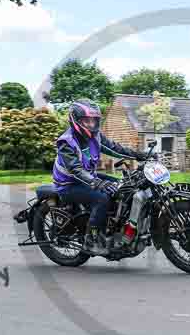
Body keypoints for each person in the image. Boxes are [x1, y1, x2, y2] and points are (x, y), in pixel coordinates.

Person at [53, 99, 149, 255]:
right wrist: (97, 183)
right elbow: (75, 170)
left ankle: (113, 227)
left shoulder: (95, 136)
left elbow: (115, 148)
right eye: (86, 120)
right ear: (76, 120)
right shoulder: (66, 142)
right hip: (68, 184)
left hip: (88, 176)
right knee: (101, 198)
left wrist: (138, 154)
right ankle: (91, 241)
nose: (91, 124)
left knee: (124, 187)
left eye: (94, 120)